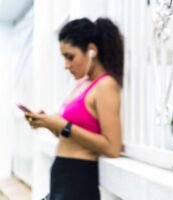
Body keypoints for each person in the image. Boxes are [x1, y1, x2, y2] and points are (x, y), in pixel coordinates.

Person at [24, 17, 123, 200]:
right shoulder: (84, 84)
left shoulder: (105, 86)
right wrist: (48, 123)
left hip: (78, 180)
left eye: (70, 57)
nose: (66, 65)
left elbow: (112, 147)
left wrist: (65, 126)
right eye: (64, 57)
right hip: (63, 177)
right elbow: (73, 135)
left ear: (91, 51)